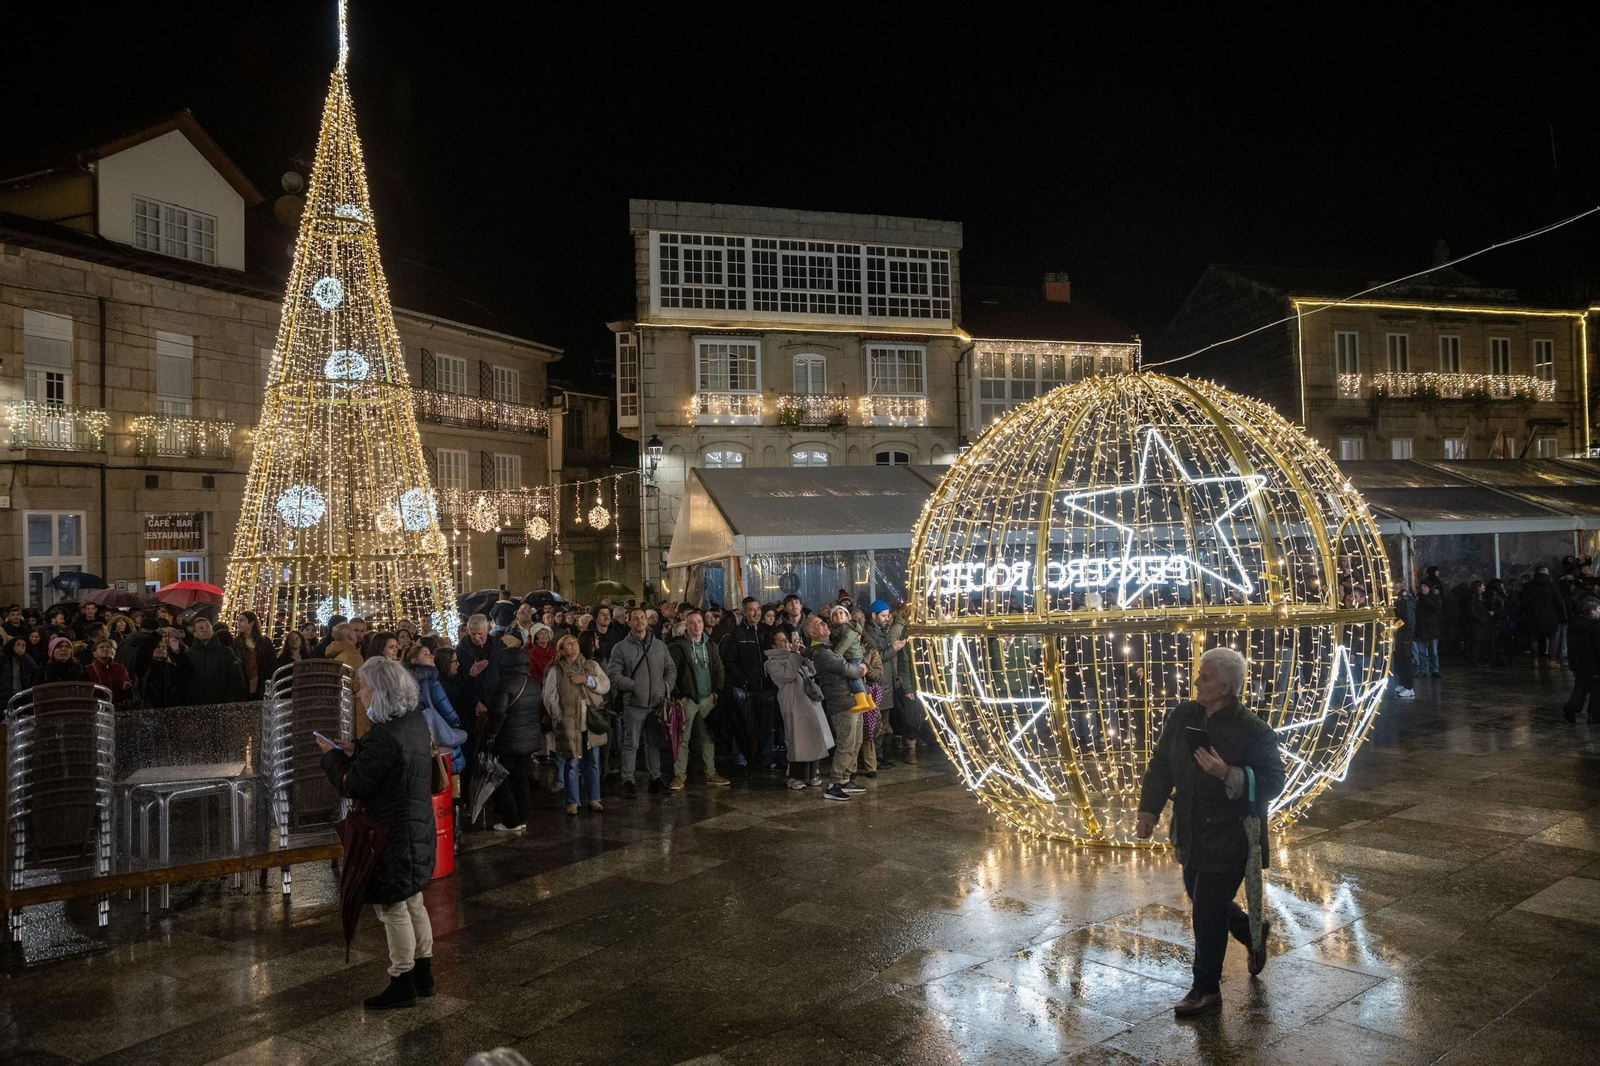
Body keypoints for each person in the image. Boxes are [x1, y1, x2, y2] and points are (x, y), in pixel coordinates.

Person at [1136, 646, 1286, 1017]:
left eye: (1204, 677)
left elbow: (1273, 781)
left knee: (1206, 910)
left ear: (1225, 688)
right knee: (1202, 897)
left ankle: (1205, 989)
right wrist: (1148, 810)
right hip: (1190, 830)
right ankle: (1251, 931)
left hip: (1231, 835)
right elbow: (1160, 766)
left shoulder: (1254, 731)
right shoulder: (1183, 715)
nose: (1196, 682)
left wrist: (1227, 773)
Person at [316, 657, 436, 1010]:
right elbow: (393, 764)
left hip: (389, 833)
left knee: (392, 908)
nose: (359, 694)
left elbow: (354, 784)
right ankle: (424, 974)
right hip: (415, 826)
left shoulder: (384, 735)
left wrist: (332, 757)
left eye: (364, 687)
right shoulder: (413, 721)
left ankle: (402, 982)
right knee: (413, 899)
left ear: (380, 691)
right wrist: (358, 748)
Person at [606, 607, 676, 798]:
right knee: (631, 744)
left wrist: (665, 687)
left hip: (656, 703)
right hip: (634, 704)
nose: (640, 621)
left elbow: (670, 668)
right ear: (629, 622)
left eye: (642, 617)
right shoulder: (620, 648)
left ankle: (655, 778)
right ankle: (627, 780)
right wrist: (634, 686)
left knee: (653, 743)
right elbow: (613, 675)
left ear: (647, 620)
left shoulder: (659, 646)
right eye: (635, 618)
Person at [544, 633, 610, 815]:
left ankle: (594, 798)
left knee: (593, 762)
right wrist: (559, 717)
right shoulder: (555, 671)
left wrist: (586, 680)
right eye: (568, 644)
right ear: (561, 650)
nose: (573, 646)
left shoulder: (591, 665)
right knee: (571, 762)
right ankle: (572, 801)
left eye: (575, 642)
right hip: (569, 723)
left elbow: (605, 685)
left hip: (590, 723)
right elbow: (550, 697)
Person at [804, 616, 867, 802]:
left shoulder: (831, 646)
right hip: (841, 703)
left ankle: (846, 777)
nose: (824, 624)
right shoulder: (821, 652)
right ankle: (834, 783)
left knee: (856, 741)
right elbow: (847, 668)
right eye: (818, 624)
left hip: (852, 700)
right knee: (846, 743)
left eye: (823, 622)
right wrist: (862, 668)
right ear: (812, 633)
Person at [483, 634, 540, 832]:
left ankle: (511, 821)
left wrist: (491, 734)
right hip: (528, 740)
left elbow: (498, 714)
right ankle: (522, 817)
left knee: (501, 779)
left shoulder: (504, 684)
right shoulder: (532, 683)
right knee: (521, 778)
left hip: (508, 740)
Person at [666, 609, 729, 790]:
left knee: (708, 736)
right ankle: (679, 775)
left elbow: (719, 668)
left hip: (708, 697)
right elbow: (671, 672)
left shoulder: (711, 645)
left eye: (699, 622)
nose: (697, 626)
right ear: (686, 625)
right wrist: (679, 695)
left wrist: (717, 691)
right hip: (688, 700)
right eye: (692, 622)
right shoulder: (677, 646)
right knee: (682, 738)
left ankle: (711, 772)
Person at [765, 629, 832, 790]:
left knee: (815, 735)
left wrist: (804, 653)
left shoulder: (794, 655)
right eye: (781, 640)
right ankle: (796, 776)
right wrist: (794, 654)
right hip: (794, 703)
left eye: (786, 639)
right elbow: (787, 675)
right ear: (773, 645)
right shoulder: (772, 662)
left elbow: (813, 671)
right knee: (798, 740)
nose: (785, 642)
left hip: (810, 701)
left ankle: (811, 773)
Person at [722, 596, 778, 771]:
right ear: (744, 612)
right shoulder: (736, 635)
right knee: (743, 726)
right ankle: (742, 761)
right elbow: (729, 661)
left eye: (757, 609)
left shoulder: (766, 631)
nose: (755, 612)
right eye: (751, 610)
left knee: (767, 727)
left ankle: (768, 759)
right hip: (747, 689)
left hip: (766, 688)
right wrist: (743, 680)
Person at [863, 600, 911, 765]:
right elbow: (876, 657)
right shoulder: (869, 634)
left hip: (888, 685)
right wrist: (894, 649)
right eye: (883, 615)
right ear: (874, 616)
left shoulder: (884, 631)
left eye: (888, 615)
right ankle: (874, 758)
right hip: (879, 685)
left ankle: (879, 755)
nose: (886, 618)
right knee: (876, 724)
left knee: (883, 723)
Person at [182, 617, 246, 705]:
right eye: (200, 628)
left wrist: (229, 701)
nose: (204, 630)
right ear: (195, 633)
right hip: (194, 704)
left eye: (207, 627)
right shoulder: (188, 655)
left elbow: (235, 679)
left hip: (221, 704)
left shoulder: (225, 652)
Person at [828, 605, 875, 713]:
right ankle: (869, 700)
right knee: (858, 678)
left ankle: (862, 701)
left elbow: (846, 641)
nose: (838, 616)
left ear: (847, 616)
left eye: (841, 613)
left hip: (852, 655)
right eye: (835, 615)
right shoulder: (841, 628)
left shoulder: (847, 628)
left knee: (853, 678)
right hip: (853, 655)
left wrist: (837, 653)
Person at [1521, 565, 1568, 665]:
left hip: (1533, 616)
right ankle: (1552, 660)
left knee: (1534, 638)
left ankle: (1535, 660)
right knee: (1552, 638)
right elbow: (1559, 602)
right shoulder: (1553, 587)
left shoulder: (1528, 586)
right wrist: (1561, 615)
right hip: (1550, 616)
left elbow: (1524, 602)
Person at [1564, 598, 1600, 723]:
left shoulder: (1573, 625)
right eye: (1598, 609)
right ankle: (1595, 715)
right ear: (1591, 612)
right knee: (1597, 689)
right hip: (1593, 664)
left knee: (1581, 686)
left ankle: (1572, 706)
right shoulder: (1596, 626)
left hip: (1577, 663)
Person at [141, 628, 190, 707]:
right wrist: (158, 633)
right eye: (164, 636)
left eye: (162, 647)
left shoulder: (175, 660)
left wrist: (176, 651)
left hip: (175, 703)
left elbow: (186, 671)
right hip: (153, 704)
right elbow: (145, 651)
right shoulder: (148, 662)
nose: (167, 639)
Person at [235, 611, 278, 700]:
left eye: (242, 620)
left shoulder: (265, 642)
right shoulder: (236, 643)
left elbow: (272, 663)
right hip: (243, 684)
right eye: (238, 621)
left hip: (261, 682)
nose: (239, 623)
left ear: (251, 623)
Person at [86, 638, 134, 705]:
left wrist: (128, 687)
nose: (105, 649)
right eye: (101, 647)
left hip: (119, 706)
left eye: (108, 647)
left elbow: (129, 685)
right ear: (94, 653)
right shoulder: (88, 669)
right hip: (98, 707)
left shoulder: (120, 668)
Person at [1391, 588, 1417, 699]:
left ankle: (1409, 687)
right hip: (1401, 635)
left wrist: (1394, 629)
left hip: (1404, 635)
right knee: (1401, 660)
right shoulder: (1402, 602)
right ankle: (1403, 683)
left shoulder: (1406, 603)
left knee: (1405, 660)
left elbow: (1407, 620)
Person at [0, 635, 39, 707]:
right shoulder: (3, 658)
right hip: (4, 696)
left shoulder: (25, 658)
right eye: (18, 644)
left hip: (20, 696)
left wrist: (23, 655)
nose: (21, 647)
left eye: (23, 645)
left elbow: (34, 669)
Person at [1414, 584, 1442, 678]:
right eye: (1421, 587)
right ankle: (1424, 669)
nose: (1423, 588)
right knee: (1422, 651)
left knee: (1433, 651)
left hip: (1431, 628)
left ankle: (1434, 669)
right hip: (1421, 628)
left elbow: (1436, 607)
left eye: (1425, 586)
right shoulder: (1418, 599)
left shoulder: (1434, 598)